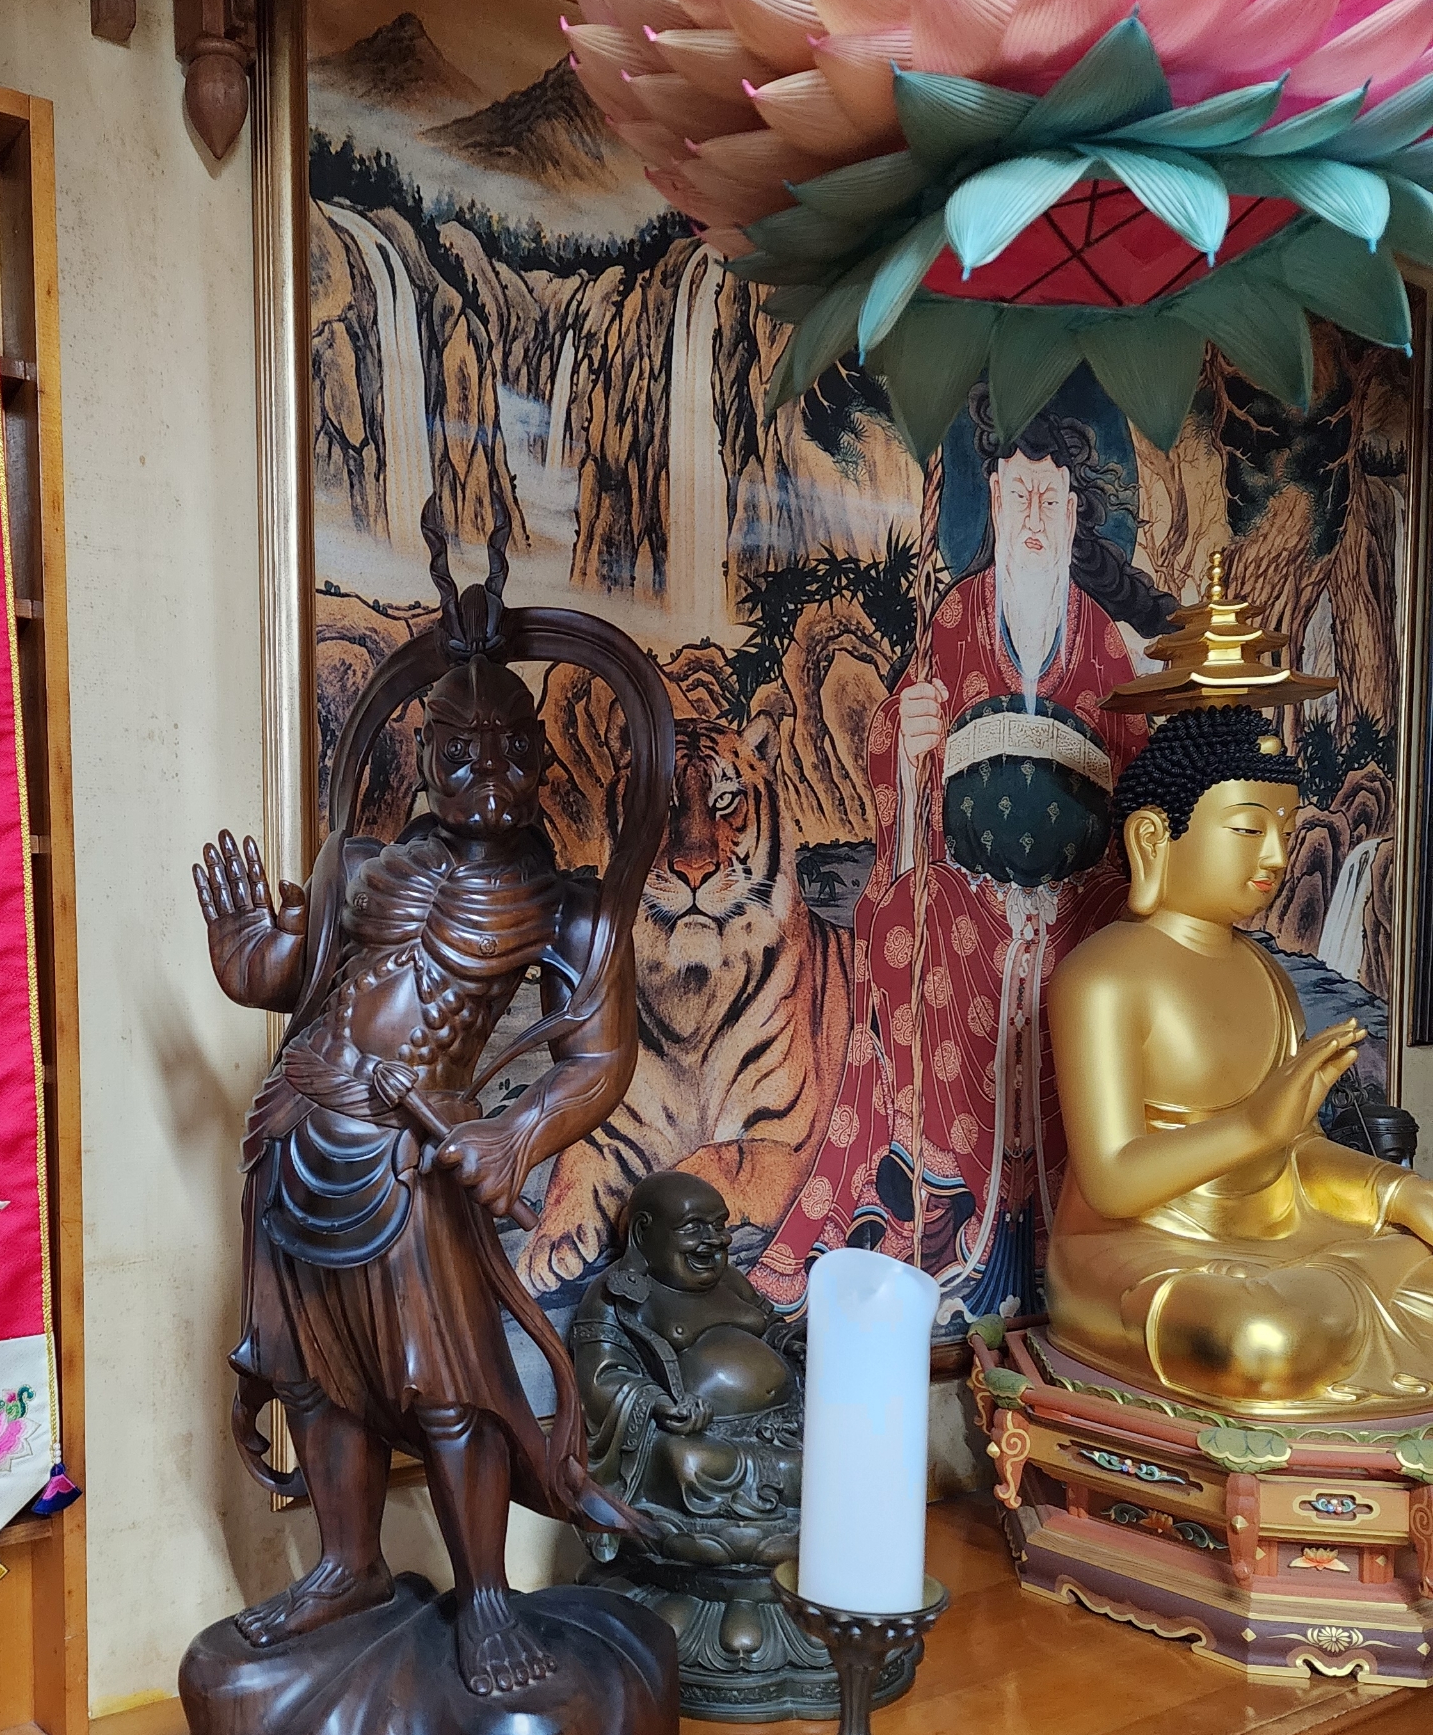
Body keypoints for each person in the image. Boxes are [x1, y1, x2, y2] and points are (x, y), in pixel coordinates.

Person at [194, 643, 643, 1697]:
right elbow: (303, 977)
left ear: (542, 758)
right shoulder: (363, 866)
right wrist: (245, 955)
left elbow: (600, 1060)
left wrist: (515, 1135)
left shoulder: (572, 910)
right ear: (426, 753)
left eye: (510, 751)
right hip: (297, 1127)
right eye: (459, 752)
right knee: (309, 1367)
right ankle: (347, 1565)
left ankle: (485, 1595)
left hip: (409, 1158)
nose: (486, 774)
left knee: (448, 1386)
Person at [754, 393, 1168, 1320]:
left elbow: (1144, 786)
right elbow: (897, 760)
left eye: (1050, 500)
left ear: (1076, 516)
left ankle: (1071, 1219)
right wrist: (909, 745)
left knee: (1108, 955)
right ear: (993, 505)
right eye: (1017, 496)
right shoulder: (954, 618)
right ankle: (937, 1204)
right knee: (916, 922)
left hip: (1082, 895)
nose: (1033, 518)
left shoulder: (1107, 642)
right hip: (968, 889)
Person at [1045, 706, 1433, 1411]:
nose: (1277, 858)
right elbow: (1111, 1184)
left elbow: (1296, 1152)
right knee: (1258, 1339)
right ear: (1154, 837)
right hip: (1138, 1249)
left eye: (1285, 831)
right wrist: (1253, 1127)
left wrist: (1399, 1192)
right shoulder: (1101, 978)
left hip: (1280, 1238)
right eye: (1250, 830)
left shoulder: (1268, 975)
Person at [571, 1170, 802, 1525]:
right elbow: (602, 1379)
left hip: (785, 1424)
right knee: (687, 1462)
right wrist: (659, 1404)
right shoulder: (616, 1295)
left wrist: (793, 1341)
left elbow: (770, 1326)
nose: (714, 1240)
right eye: (693, 1227)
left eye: (719, 1225)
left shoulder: (730, 1279)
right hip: (703, 1439)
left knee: (840, 1444)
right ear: (643, 1232)